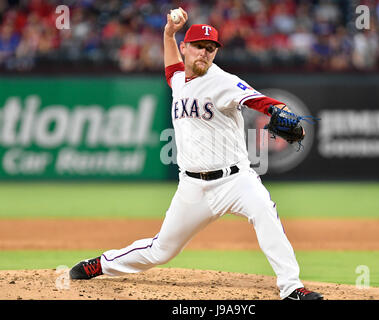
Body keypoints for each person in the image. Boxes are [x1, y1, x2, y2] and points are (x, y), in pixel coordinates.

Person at [69, 8, 323, 301]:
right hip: (192, 187)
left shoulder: (223, 81)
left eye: (211, 48)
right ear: (185, 49)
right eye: (200, 47)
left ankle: (291, 287)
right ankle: (100, 264)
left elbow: (260, 101)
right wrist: (168, 33)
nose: (205, 53)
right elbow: (170, 70)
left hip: (235, 181)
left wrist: (280, 110)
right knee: (161, 250)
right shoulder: (178, 78)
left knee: (265, 212)